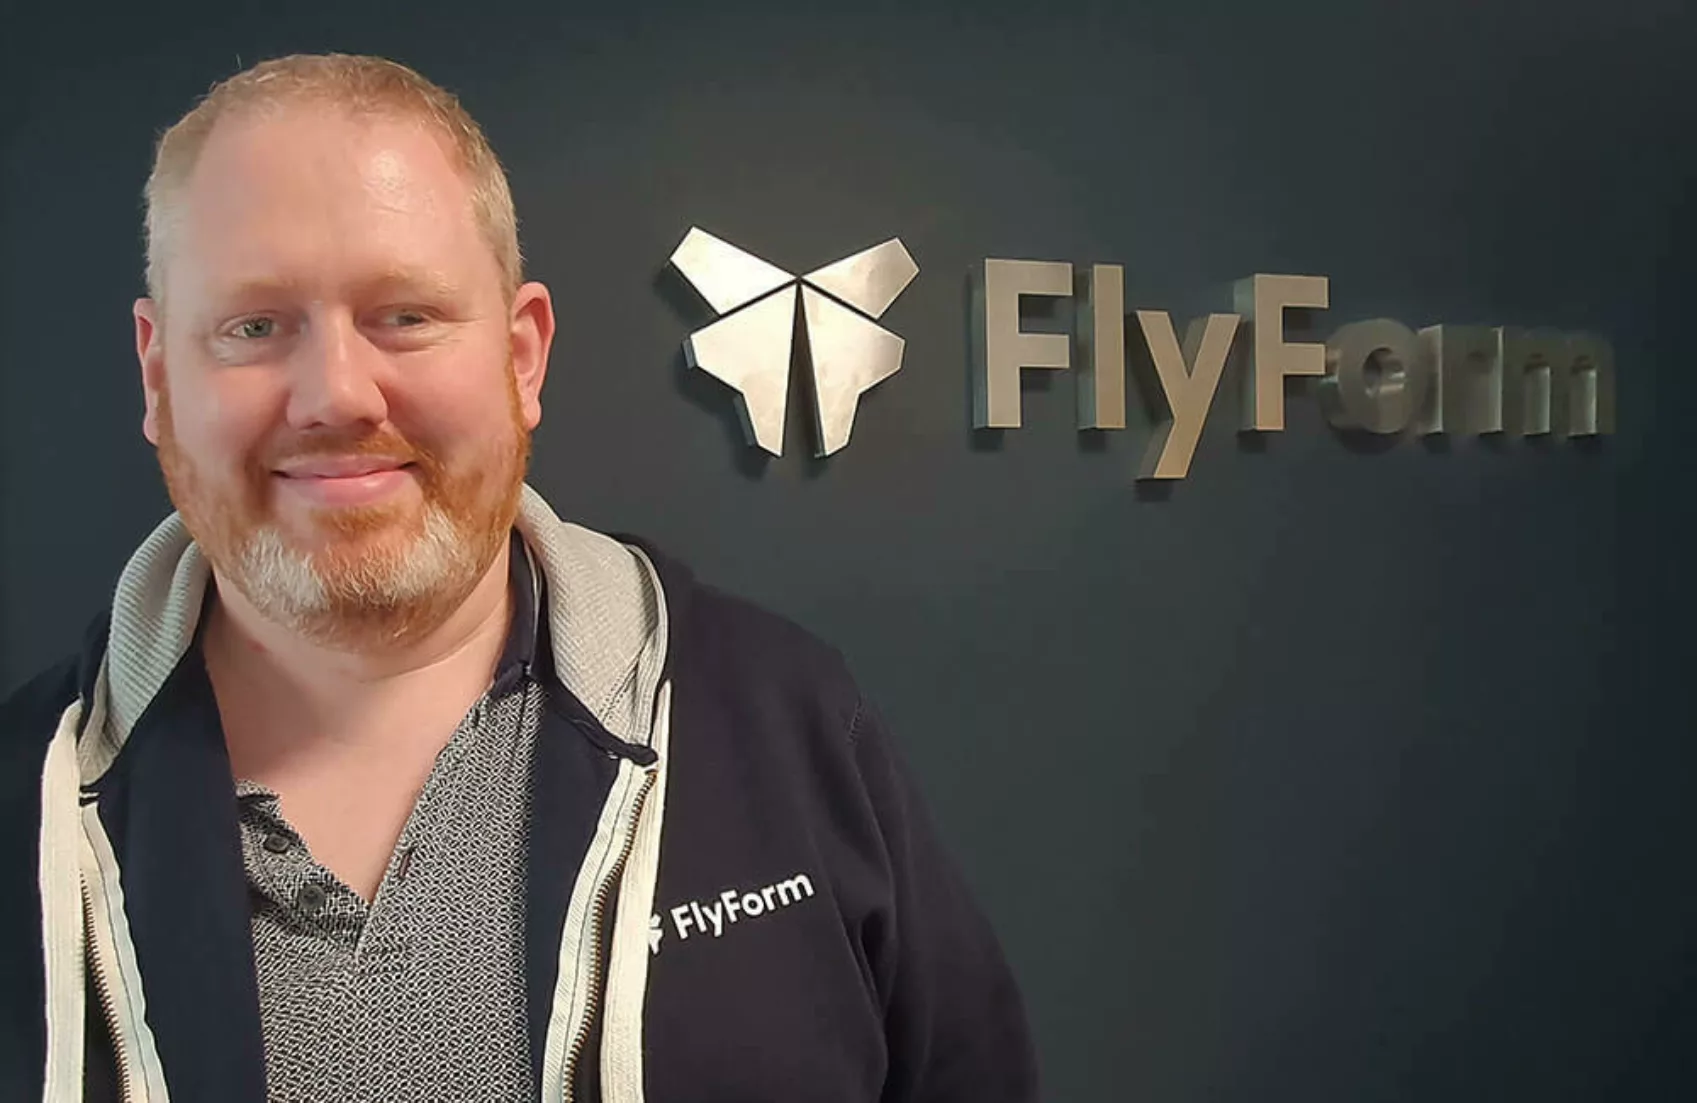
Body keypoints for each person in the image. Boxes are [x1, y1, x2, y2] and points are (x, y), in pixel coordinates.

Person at [0, 53, 1038, 1102]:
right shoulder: (21, 802)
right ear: (158, 375)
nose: (334, 394)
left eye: (402, 314)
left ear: (522, 355)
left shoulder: (787, 722)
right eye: (253, 327)